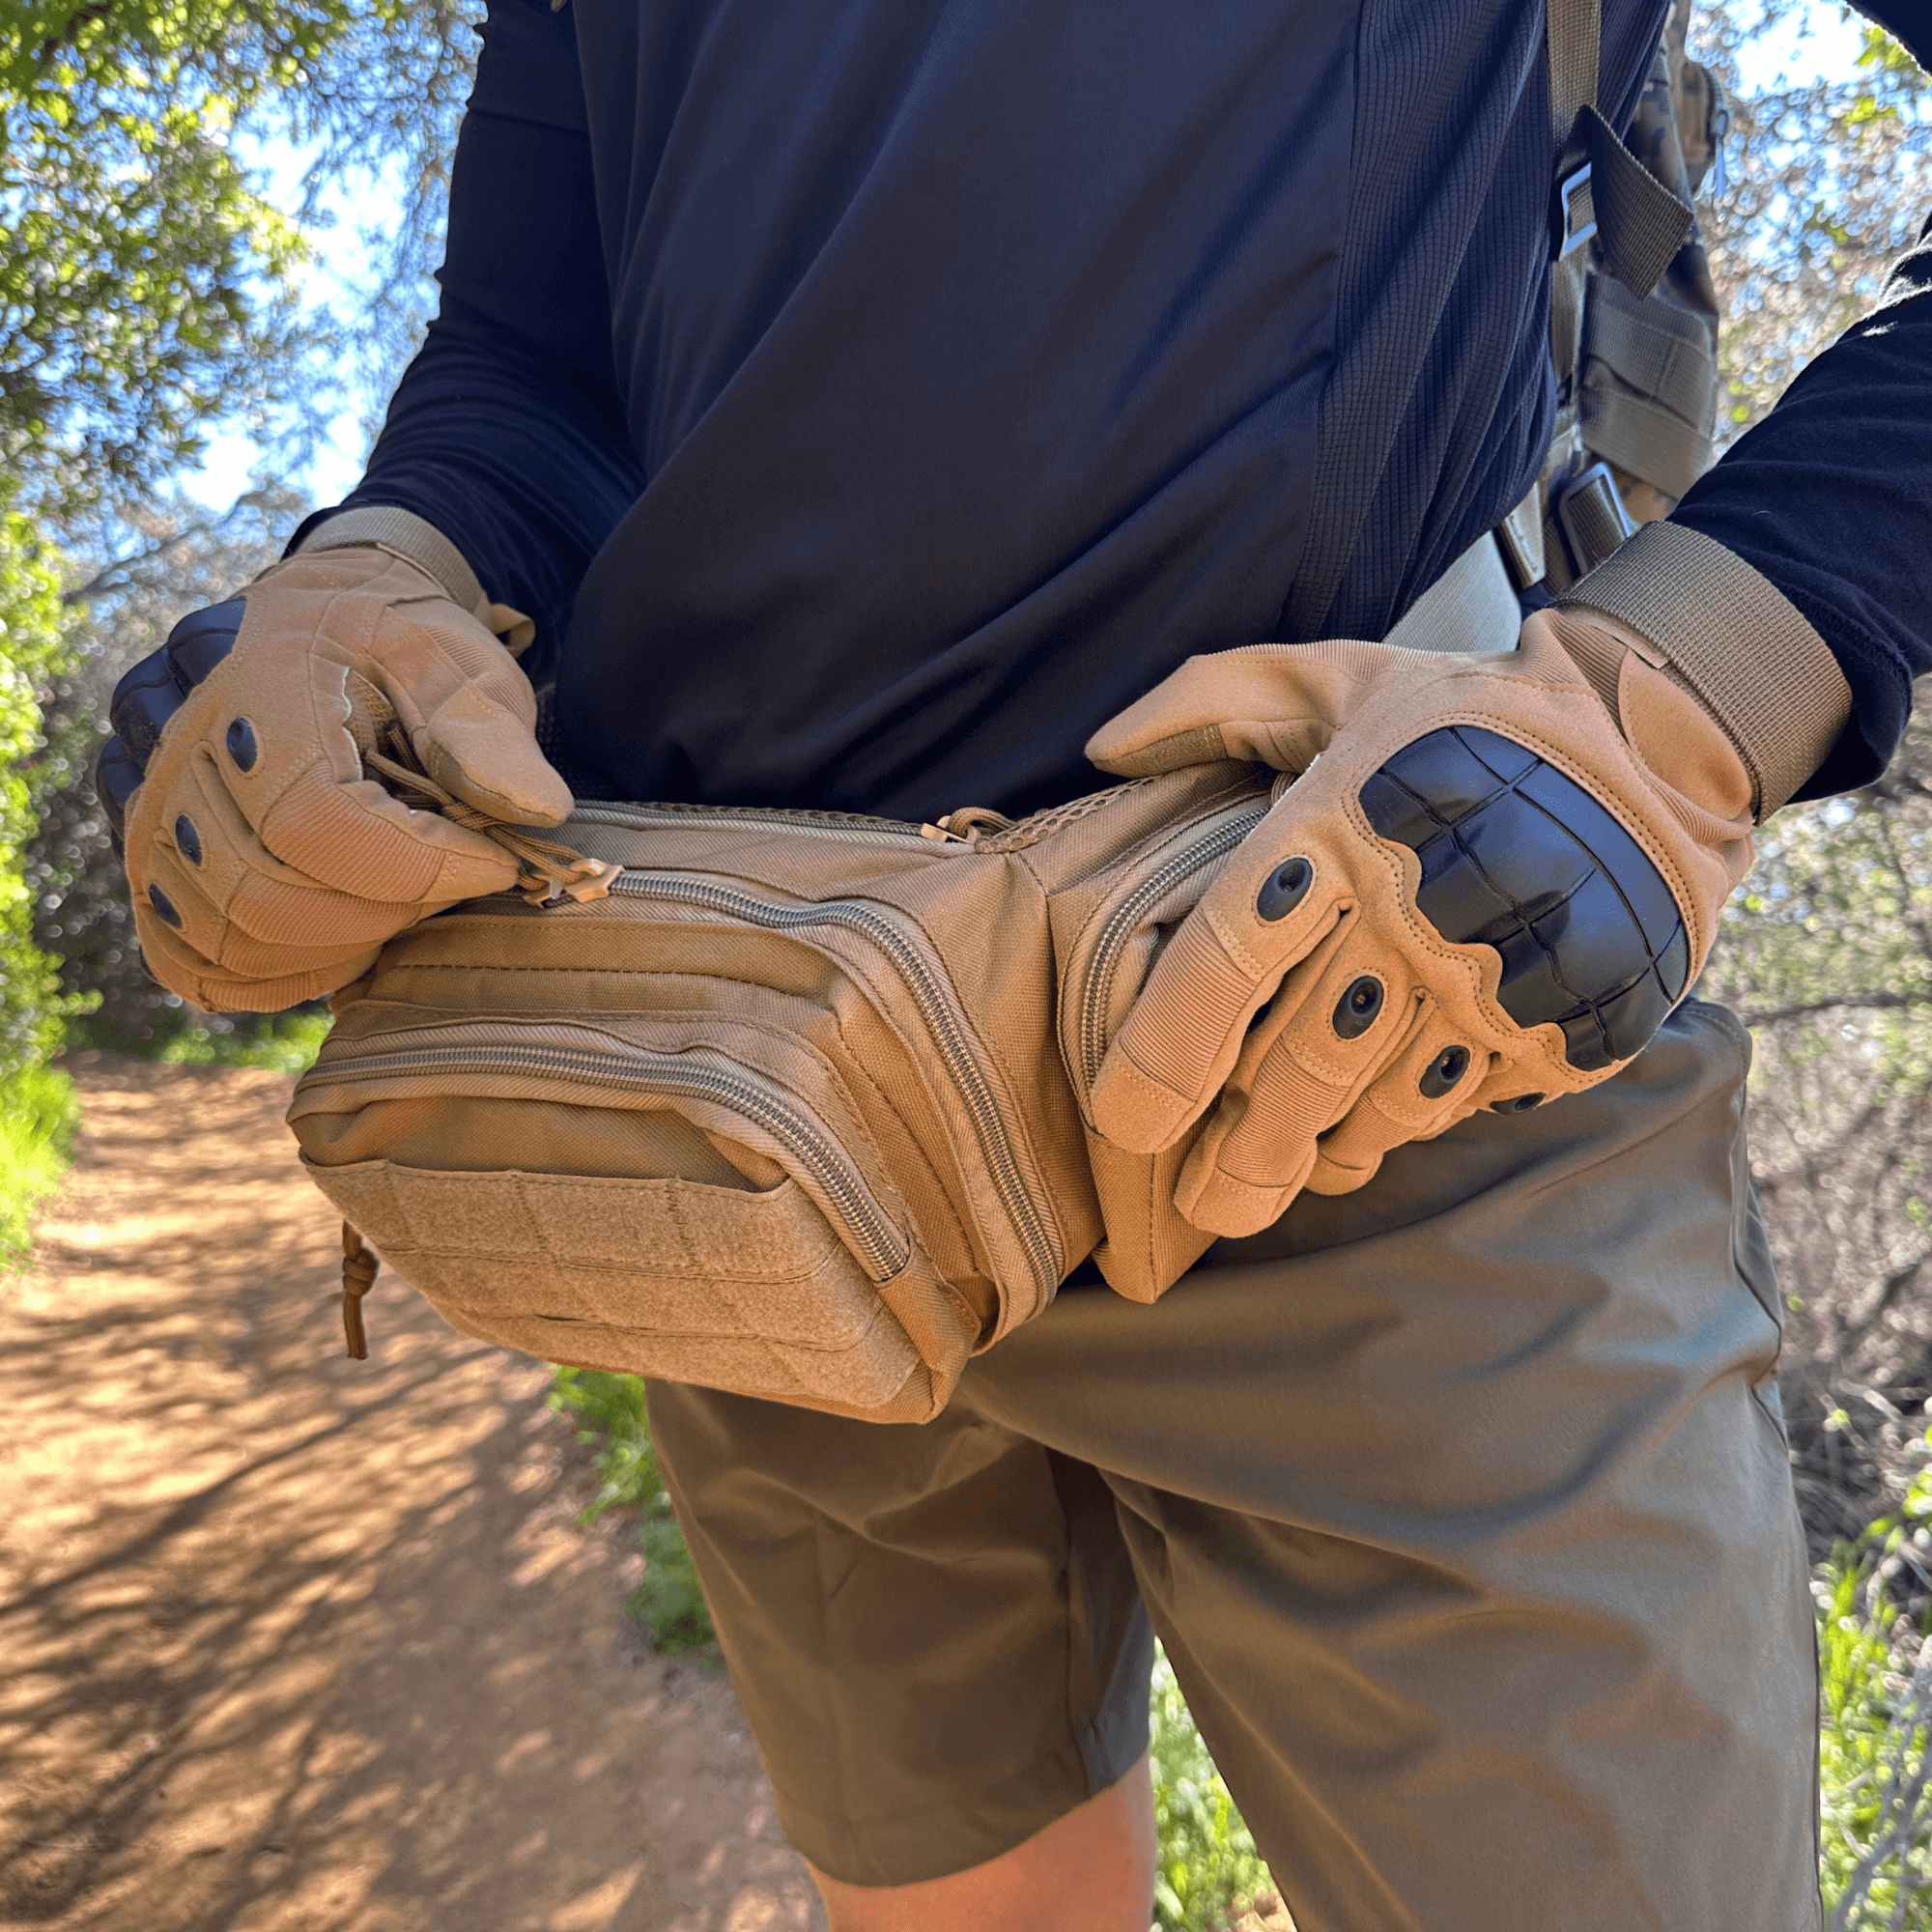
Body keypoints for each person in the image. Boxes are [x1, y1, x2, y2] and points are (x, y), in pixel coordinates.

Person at [96, 0, 1932, 1924]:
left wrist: (1715, 672)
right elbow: (535, 360)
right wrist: (380, 564)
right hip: (745, 1122)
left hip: (1371, 1023)